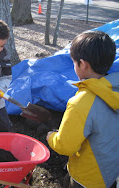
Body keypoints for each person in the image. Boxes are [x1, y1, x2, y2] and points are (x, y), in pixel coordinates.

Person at [46, 30, 119, 188]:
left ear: (83, 64)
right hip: (111, 172)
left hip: (88, 177)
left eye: (74, 62)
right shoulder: (115, 90)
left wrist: (51, 136)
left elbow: (66, 146)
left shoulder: (81, 102)